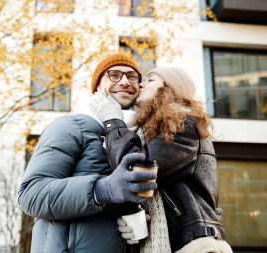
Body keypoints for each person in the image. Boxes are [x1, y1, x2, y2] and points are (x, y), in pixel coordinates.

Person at [18, 53, 157, 253]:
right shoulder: (71, 126)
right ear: (97, 87)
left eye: (132, 77)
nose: (125, 82)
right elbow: (31, 194)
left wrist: (139, 219)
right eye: (114, 75)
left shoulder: (138, 138)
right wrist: (102, 190)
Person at [89, 67, 233, 253]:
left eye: (150, 80)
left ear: (169, 89)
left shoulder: (183, 123)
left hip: (195, 246)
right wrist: (141, 218)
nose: (140, 84)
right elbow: (154, 188)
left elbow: (135, 171)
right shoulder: (154, 130)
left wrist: (112, 121)